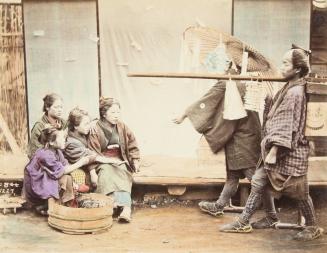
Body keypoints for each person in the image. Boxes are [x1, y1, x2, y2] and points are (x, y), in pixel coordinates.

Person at [220, 46, 324, 241]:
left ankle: (312, 227)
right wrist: (269, 102)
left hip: (288, 151)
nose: (282, 66)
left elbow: (286, 123)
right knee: (259, 181)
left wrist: (274, 151)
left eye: (286, 63)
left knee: (300, 192)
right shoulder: (290, 86)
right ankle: (251, 220)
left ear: (297, 69)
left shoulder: (295, 92)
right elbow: (278, 115)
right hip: (279, 148)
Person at [173, 49, 262, 217]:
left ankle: (270, 212)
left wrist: (183, 115)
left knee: (254, 177)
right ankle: (220, 205)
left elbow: (205, 101)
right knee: (233, 175)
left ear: (228, 64)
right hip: (249, 133)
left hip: (241, 137)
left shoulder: (227, 82)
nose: (214, 72)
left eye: (216, 67)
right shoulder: (246, 80)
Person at [88, 97, 140, 222]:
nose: (116, 115)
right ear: (104, 113)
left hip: (119, 159)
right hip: (102, 161)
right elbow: (92, 152)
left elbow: (132, 144)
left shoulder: (122, 126)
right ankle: (111, 205)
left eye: (118, 112)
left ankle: (126, 208)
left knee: (122, 170)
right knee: (107, 173)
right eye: (113, 112)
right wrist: (92, 171)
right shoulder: (95, 128)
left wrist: (135, 160)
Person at [23, 126, 91, 215]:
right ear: (51, 142)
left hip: (47, 178)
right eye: (62, 138)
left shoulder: (57, 151)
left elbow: (65, 165)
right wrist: (81, 162)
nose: (64, 140)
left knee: (68, 178)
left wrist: (73, 182)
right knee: (58, 179)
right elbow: (61, 171)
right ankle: (51, 208)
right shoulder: (45, 154)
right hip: (36, 183)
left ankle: (64, 203)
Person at [64, 107, 124, 192]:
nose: (89, 126)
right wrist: (110, 160)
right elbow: (90, 156)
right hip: (76, 169)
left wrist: (92, 123)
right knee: (105, 170)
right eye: (86, 124)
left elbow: (95, 120)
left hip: (87, 165)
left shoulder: (81, 132)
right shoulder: (71, 143)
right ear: (75, 126)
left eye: (89, 123)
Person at [27, 93, 66, 158]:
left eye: (61, 107)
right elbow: (33, 150)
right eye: (56, 107)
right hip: (44, 160)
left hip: (61, 158)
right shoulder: (39, 126)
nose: (60, 110)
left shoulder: (63, 123)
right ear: (47, 107)